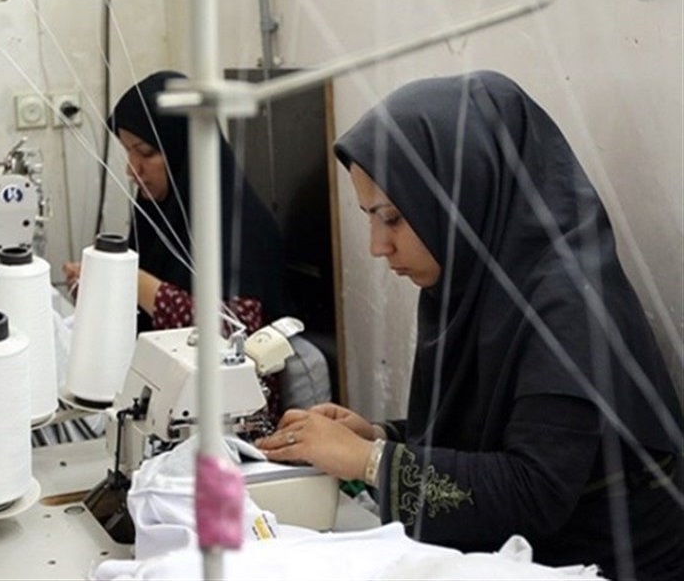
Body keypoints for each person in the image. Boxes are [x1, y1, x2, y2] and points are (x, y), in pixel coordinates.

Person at [256, 70, 684, 580]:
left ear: (462, 195)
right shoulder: (472, 286)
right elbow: (492, 434)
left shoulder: (571, 307)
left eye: (392, 218)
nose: (377, 245)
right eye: (370, 217)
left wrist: (371, 460)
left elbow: (534, 490)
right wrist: (376, 435)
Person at [63, 70, 286, 336]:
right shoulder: (159, 210)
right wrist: (100, 291)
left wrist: (130, 278)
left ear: (183, 149)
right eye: (127, 151)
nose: (132, 170)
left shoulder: (240, 224)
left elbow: (236, 329)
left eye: (146, 152)